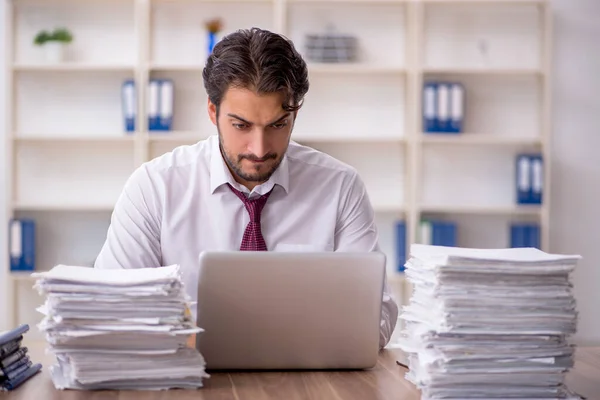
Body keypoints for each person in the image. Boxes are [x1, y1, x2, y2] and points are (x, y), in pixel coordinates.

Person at [94, 27, 398, 349]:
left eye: (277, 125)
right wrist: (201, 338)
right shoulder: (154, 187)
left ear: (295, 112)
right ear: (213, 112)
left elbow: (376, 317)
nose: (259, 147)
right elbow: (112, 308)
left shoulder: (340, 187)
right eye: (241, 125)